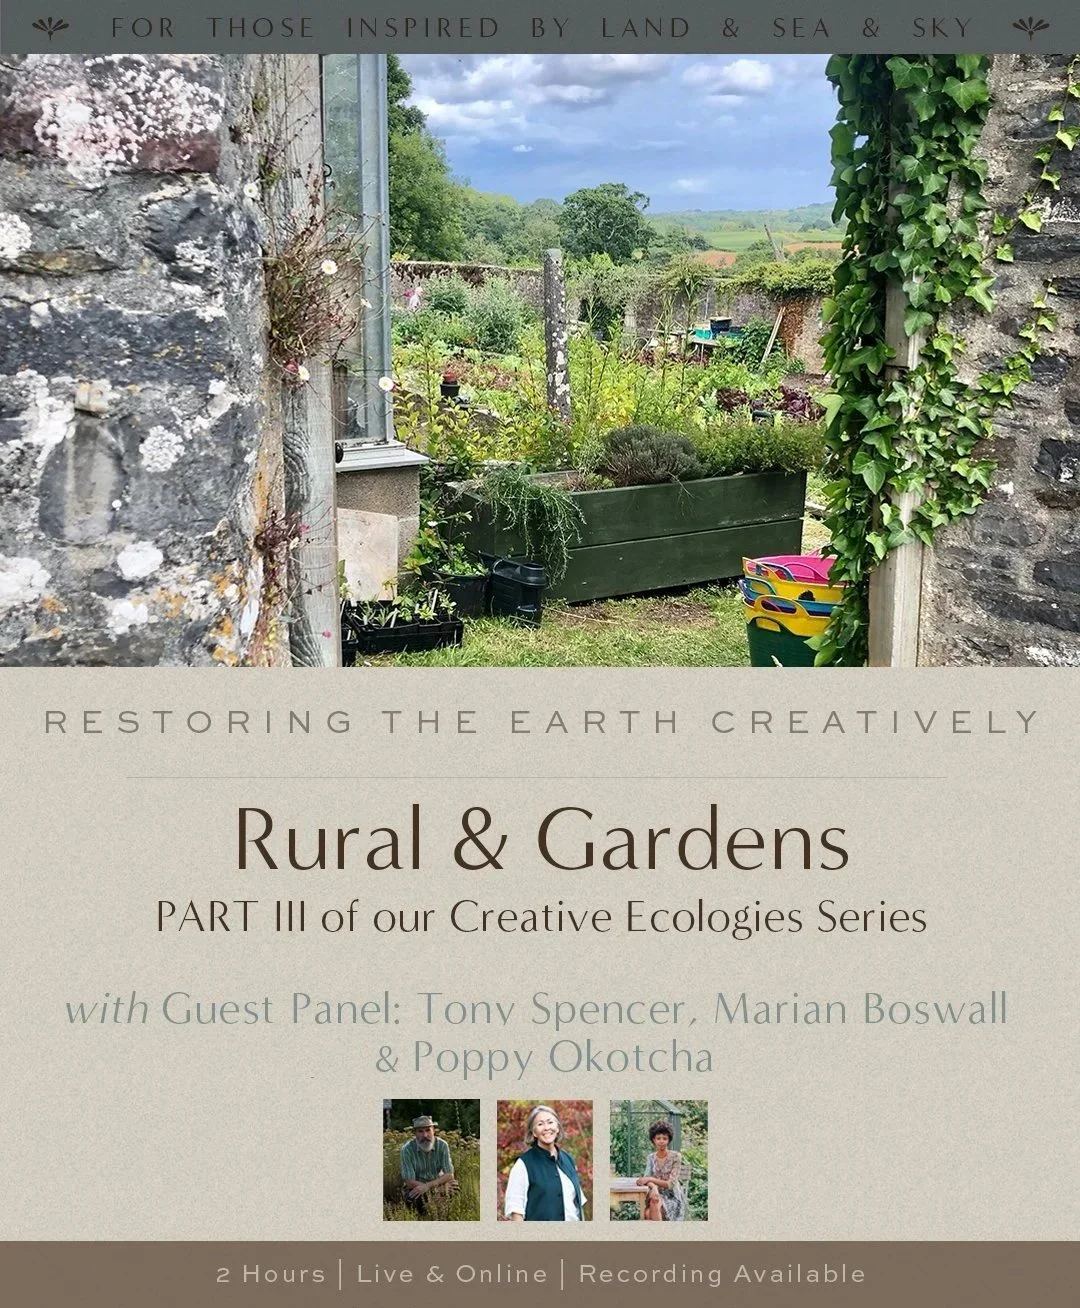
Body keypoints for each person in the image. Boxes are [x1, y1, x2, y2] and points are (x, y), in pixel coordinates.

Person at [505, 1105, 586, 1222]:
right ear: (534, 1133)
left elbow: (577, 1204)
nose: (546, 1128)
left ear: (557, 1127)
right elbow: (516, 1210)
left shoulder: (569, 1160)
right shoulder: (523, 1164)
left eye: (550, 1122)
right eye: (540, 1124)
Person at [399, 1115, 458, 1210]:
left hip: (438, 1183)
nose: (425, 1135)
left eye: (427, 1130)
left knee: (455, 1191)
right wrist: (431, 1191)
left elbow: (449, 1174)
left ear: (433, 1131)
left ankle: (436, 1206)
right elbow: (409, 1181)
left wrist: (429, 1187)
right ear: (415, 1133)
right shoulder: (407, 1150)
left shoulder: (442, 1145)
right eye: (420, 1131)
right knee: (412, 1200)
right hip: (417, 1186)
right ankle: (432, 1207)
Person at [638, 1120, 686, 1222]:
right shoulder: (651, 1157)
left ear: (669, 1140)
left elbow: (670, 1184)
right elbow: (646, 1178)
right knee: (653, 1203)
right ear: (653, 1140)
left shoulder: (676, 1157)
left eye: (665, 1138)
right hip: (656, 1194)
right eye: (658, 1138)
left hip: (672, 1197)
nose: (661, 1141)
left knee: (648, 1214)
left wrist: (651, 1179)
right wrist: (654, 1187)